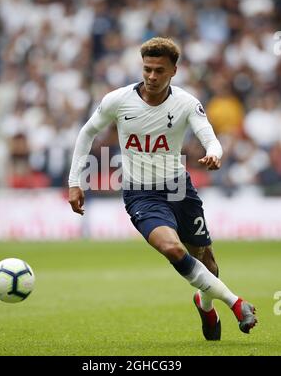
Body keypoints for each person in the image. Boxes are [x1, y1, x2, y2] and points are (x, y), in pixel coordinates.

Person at [68, 37, 257, 340]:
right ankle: (235, 303)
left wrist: (214, 154)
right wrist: (75, 182)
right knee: (173, 248)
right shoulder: (117, 100)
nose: (152, 77)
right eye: (147, 69)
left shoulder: (185, 102)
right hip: (140, 194)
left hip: (179, 189)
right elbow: (86, 132)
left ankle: (205, 304)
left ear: (174, 71)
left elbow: (209, 137)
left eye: (159, 70)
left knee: (205, 258)